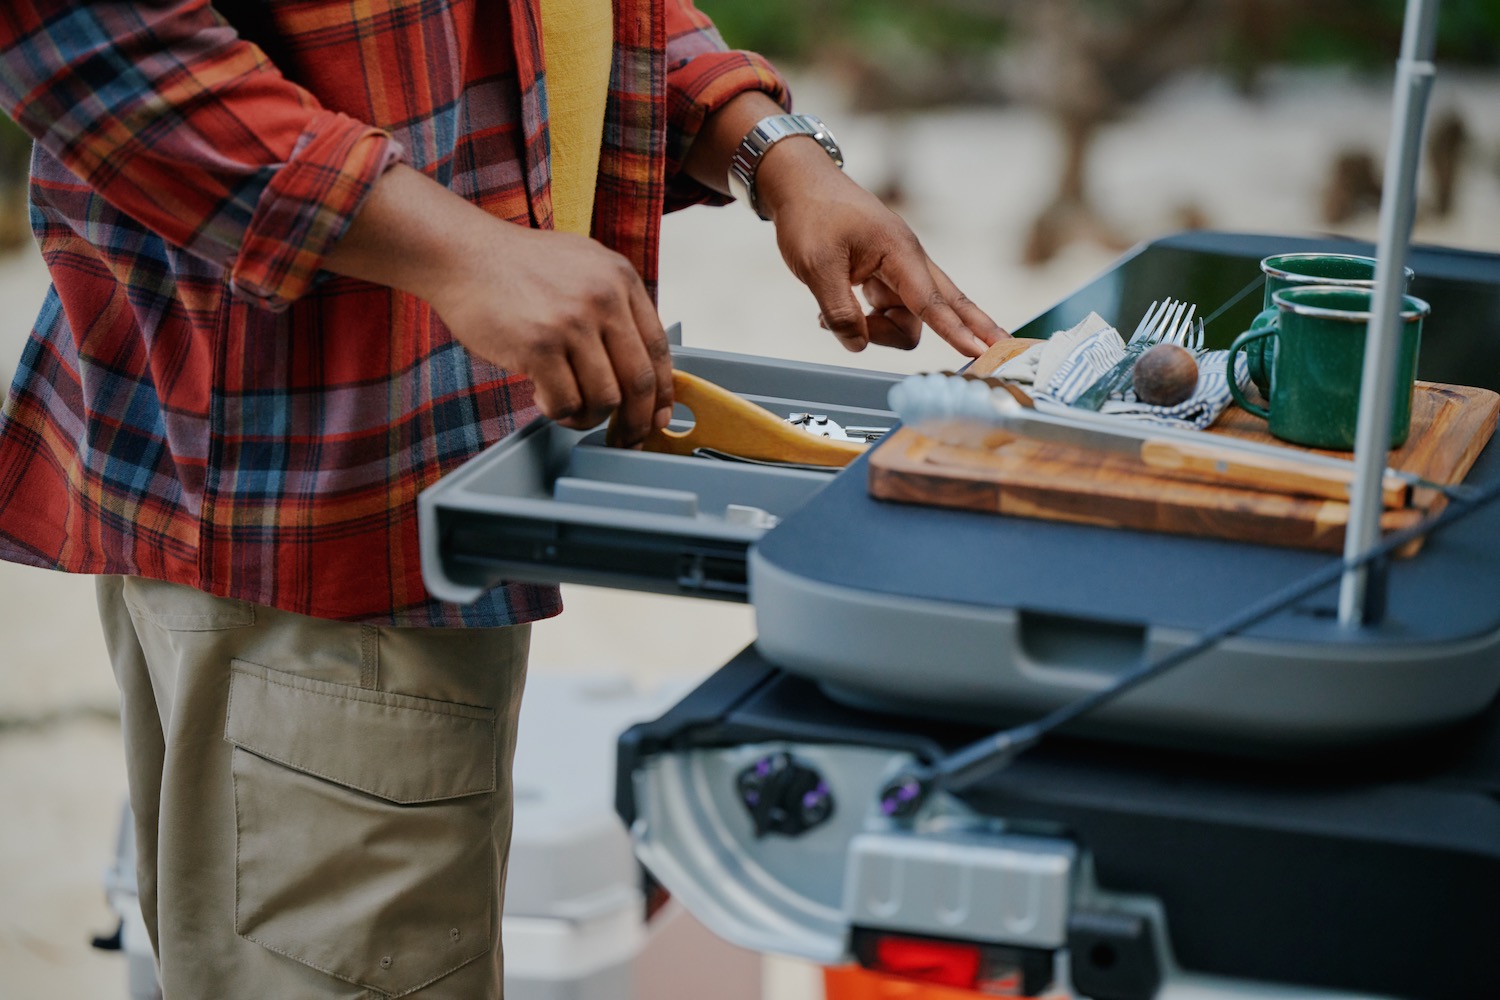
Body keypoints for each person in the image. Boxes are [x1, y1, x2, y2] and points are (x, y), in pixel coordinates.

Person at [0, 1, 1004, 996]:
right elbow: (90, 42)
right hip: (318, 509)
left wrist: (772, 152)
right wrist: (457, 249)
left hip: (419, 478)